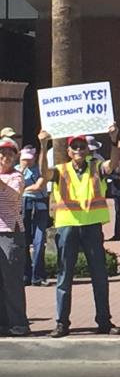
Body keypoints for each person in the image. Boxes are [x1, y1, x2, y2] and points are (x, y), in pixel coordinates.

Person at [38, 127, 120, 337]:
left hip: (92, 227)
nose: (78, 149)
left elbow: (112, 164)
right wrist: (42, 145)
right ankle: (62, 323)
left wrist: (113, 141)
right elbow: (44, 173)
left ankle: (104, 321)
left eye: (81, 146)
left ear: (87, 150)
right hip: (67, 226)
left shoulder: (96, 167)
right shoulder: (60, 170)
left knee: (100, 276)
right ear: (68, 151)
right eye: (74, 146)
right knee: (64, 276)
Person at [0, 137, 28, 336]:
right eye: (2, 153)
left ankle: (19, 323)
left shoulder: (16, 177)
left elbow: (14, 196)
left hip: (10, 234)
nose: (5, 157)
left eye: (10, 154)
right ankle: (3, 323)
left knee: (12, 282)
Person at [18, 145, 49, 286]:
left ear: (35, 158)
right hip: (24, 205)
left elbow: (39, 186)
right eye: (24, 159)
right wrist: (22, 171)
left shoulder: (40, 169)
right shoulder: (17, 170)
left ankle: (38, 275)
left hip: (39, 205)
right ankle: (25, 274)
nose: (27, 162)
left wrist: (23, 187)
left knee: (39, 241)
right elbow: (12, 186)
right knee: (23, 241)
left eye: (30, 159)